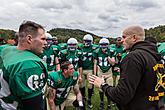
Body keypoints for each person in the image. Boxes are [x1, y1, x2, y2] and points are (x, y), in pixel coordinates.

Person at [89, 25, 165, 110]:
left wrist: (102, 85)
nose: (121, 41)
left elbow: (121, 96)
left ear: (134, 38)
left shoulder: (134, 57)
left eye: (124, 37)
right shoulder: (156, 57)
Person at [0, 21, 48, 110]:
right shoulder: (30, 65)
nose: (46, 43)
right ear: (29, 39)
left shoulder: (6, 49)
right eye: (43, 39)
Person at [93, 38, 115, 110]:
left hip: (109, 72)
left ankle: (109, 103)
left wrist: (107, 55)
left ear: (108, 45)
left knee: (110, 88)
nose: (103, 46)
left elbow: (113, 63)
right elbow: (95, 63)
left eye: (105, 45)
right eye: (102, 45)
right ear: (100, 45)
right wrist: (95, 74)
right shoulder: (96, 51)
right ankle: (102, 102)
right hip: (100, 72)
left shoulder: (111, 51)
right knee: (101, 89)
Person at [78, 34, 97, 109]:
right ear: (83, 41)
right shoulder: (80, 47)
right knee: (81, 85)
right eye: (85, 41)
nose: (87, 43)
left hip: (90, 69)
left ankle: (89, 99)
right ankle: (83, 98)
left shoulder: (94, 48)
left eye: (88, 41)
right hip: (82, 69)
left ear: (91, 42)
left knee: (90, 85)